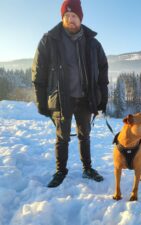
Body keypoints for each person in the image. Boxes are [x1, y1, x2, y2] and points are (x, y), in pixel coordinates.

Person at [32, 0, 108, 188]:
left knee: (85, 136)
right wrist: (42, 102)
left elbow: (103, 70)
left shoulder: (92, 43)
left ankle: (87, 168)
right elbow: (38, 72)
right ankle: (60, 171)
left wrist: (102, 97)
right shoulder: (49, 40)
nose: (70, 19)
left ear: (80, 18)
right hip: (60, 98)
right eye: (67, 16)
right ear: (62, 17)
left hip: (85, 98)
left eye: (74, 16)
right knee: (62, 137)